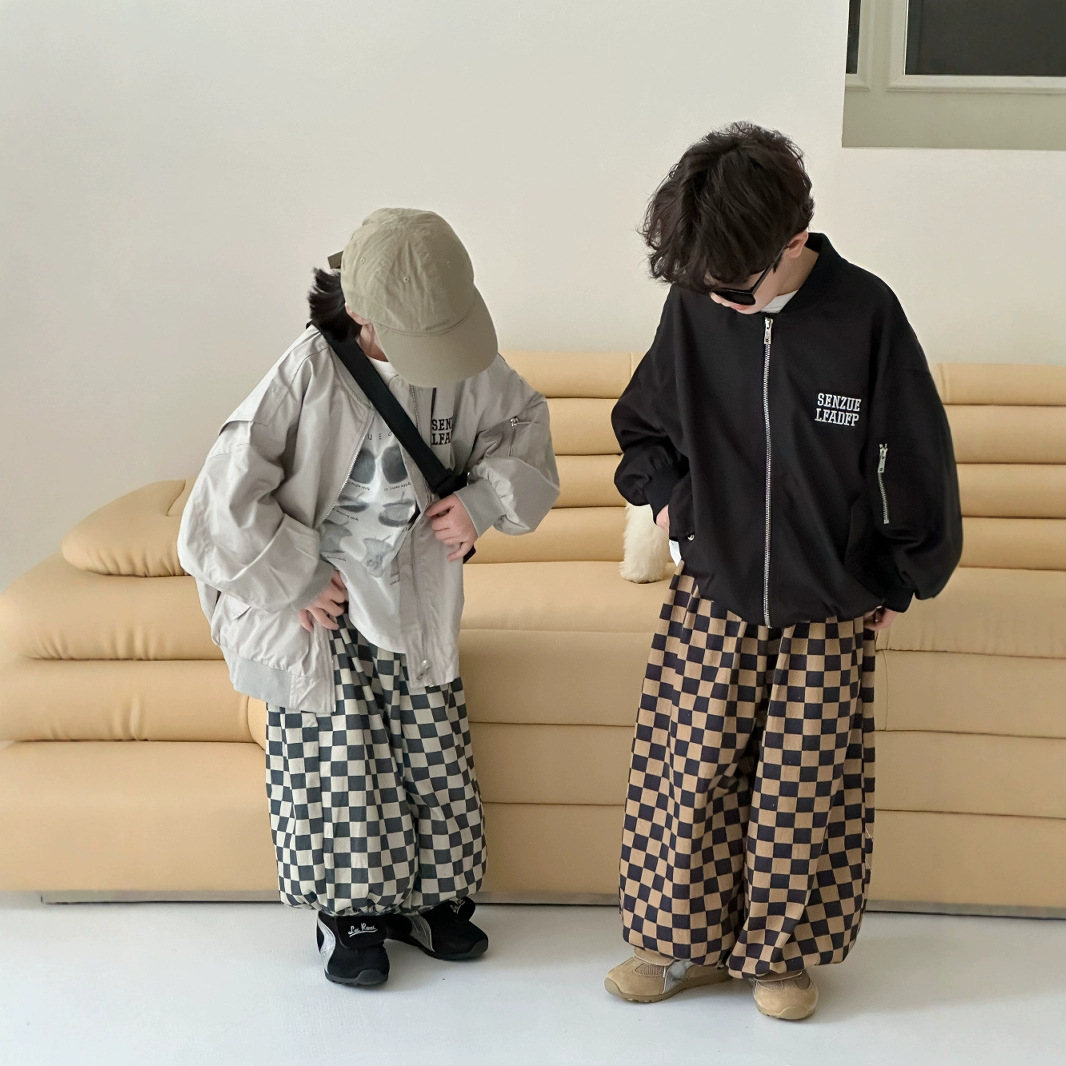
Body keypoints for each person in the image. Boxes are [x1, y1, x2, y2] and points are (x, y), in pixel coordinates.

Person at [605, 123, 962, 1020]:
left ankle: (779, 958)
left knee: (800, 794)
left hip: (827, 605)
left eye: (735, 287)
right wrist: (672, 505)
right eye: (705, 286)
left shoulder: (866, 314)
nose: (720, 302)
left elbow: (916, 455)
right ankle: (673, 944)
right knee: (690, 777)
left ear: (794, 240)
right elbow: (643, 429)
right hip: (713, 592)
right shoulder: (695, 303)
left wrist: (899, 574)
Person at [178, 208, 559, 987]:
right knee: (342, 768)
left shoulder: (470, 364)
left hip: (412, 600)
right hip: (324, 612)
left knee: (432, 755)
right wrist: (295, 578)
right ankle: (348, 914)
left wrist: (483, 502)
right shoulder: (306, 374)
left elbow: (524, 431)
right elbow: (218, 510)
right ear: (362, 315)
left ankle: (432, 901)